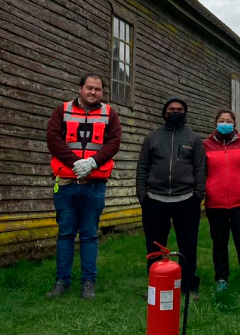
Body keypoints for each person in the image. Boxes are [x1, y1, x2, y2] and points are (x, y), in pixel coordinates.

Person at [44, 74, 122, 299]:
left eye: (98, 89)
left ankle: (88, 283)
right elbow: (53, 139)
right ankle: (62, 282)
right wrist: (75, 163)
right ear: (80, 89)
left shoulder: (110, 114)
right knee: (66, 234)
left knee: (89, 235)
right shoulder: (62, 111)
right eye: (89, 88)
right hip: (67, 183)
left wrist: (93, 162)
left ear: (102, 92)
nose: (93, 93)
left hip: (94, 185)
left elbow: (114, 142)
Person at [136, 96, 208, 298]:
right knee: (154, 246)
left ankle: (188, 286)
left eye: (179, 109)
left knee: (188, 245)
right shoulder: (153, 137)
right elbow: (142, 167)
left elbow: (200, 168)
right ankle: (155, 286)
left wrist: (197, 195)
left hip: (186, 199)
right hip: (154, 200)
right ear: (164, 113)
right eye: (171, 109)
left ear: (184, 113)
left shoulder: (193, 139)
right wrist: (142, 195)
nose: (175, 112)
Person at [203, 109, 240, 298]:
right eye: (221, 120)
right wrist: (208, 188)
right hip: (215, 202)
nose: (225, 123)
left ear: (234, 124)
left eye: (228, 120)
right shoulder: (206, 144)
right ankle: (222, 279)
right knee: (219, 242)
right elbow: (200, 170)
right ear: (215, 123)